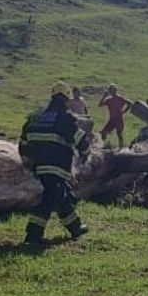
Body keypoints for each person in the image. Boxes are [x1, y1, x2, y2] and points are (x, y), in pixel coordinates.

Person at [20, 82, 91, 244]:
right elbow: (81, 140)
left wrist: (28, 163)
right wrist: (86, 154)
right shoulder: (65, 117)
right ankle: (33, 235)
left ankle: (75, 228)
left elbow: (23, 143)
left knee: (62, 196)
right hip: (56, 166)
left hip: (38, 166)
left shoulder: (35, 117)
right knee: (50, 198)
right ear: (66, 99)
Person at [98, 83, 132, 148]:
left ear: (116, 90)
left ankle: (121, 147)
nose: (112, 92)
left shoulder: (120, 98)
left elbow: (129, 103)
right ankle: (103, 145)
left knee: (119, 134)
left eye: (113, 90)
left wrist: (124, 111)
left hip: (119, 119)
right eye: (110, 90)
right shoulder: (109, 99)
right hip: (112, 119)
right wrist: (104, 96)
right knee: (104, 132)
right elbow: (100, 104)